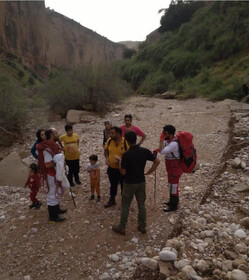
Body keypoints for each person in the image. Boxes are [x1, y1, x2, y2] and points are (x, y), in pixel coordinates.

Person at [112, 131, 160, 235]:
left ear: (127, 141)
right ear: (136, 139)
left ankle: (122, 227)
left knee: (125, 205)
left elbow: (123, 172)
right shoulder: (144, 151)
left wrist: (119, 163)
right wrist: (149, 171)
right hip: (141, 181)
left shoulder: (126, 155)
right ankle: (142, 226)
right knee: (141, 204)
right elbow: (157, 161)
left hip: (129, 183)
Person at [37, 128, 67, 223]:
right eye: (55, 133)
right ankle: (53, 217)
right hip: (51, 175)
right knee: (52, 195)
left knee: (57, 192)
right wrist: (58, 161)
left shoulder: (53, 146)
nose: (57, 134)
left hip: (55, 173)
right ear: (51, 135)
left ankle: (57, 210)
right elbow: (47, 164)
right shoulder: (47, 149)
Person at [159, 125, 183, 212]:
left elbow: (162, 151)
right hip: (170, 167)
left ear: (170, 134)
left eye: (165, 133)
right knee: (171, 185)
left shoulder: (173, 144)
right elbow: (164, 149)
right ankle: (171, 201)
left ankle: (174, 206)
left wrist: (161, 140)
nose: (163, 135)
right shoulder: (170, 142)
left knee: (174, 186)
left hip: (174, 168)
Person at [104, 126, 128, 208]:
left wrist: (121, 161)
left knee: (123, 185)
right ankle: (112, 199)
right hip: (111, 168)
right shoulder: (109, 141)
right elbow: (106, 150)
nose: (110, 135)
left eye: (112, 133)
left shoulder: (126, 142)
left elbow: (129, 155)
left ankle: (124, 202)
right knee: (113, 184)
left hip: (122, 169)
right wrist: (107, 158)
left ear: (118, 134)